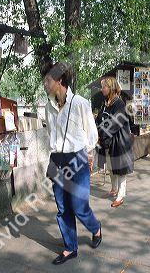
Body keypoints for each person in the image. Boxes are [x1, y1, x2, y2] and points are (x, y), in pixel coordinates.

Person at [44, 62, 102, 265]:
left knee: (78, 206)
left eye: (48, 80)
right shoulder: (48, 106)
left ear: (59, 80)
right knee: (62, 207)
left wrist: (89, 155)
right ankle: (70, 247)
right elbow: (50, 135)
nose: (45, 84)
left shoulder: (79, 103)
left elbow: (92, 134)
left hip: (77, 159)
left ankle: (95, 228)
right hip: (57, 159)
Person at [96, 76, 134, 208]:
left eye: (104, 87)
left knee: (120, 169)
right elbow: (100, 118)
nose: (102, 89)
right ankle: (114, 189)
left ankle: (121, 195)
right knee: (111, 167)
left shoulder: (119, 104)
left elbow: (114, 124)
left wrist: (101, 133)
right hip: (107, 140)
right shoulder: (106, 102)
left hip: (119, 141)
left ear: (110, 88)